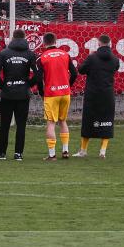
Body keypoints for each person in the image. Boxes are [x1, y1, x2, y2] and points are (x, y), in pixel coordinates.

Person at [0, 29, 38, 161]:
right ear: (24, 38)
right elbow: (38, 74)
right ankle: (18, 153)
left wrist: (4, 86)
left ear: (12, 38)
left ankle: (1, 153)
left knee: (4, 124)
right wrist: (28, 84)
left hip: (7, 94)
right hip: (23, 95)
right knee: (21, 125)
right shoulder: (30, 54)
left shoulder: (4, 53)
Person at [74, 34, 119, 159]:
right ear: (110, 44)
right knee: (107, 121)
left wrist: (89, 58)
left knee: (88, 121)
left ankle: (83, 150)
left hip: (92, 94)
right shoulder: (115, 59)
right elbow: (115, 68)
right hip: (107, 94)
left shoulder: (92, 57)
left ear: (98, 44)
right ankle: (102, 151)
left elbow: (81, 70)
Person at [35, 32, 77, 161]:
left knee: (51, 123)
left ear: (44, 43)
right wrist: (67, 86)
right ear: (56, 41)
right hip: (65, 93)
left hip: (51, 94)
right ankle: (65, 151)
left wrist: (42, 92)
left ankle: (52, 155)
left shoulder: (41, 58)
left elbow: (38, 78)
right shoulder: (65, 55)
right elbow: (75, 73)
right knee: (63, 121)